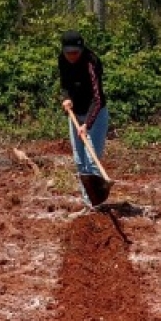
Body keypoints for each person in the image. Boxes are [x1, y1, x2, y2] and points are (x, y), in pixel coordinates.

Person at [58, 30, 109, 209]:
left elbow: (97, 98)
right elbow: (64, 83)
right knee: (80, 160)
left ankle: (96, 204)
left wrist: (87, 123)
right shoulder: (62, 59)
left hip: (95, 114)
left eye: (75, 53)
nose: (72, 56)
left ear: (81, 50)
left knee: (92, 158)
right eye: (68, 53)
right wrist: (66, 97)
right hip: (75, 113)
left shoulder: (91, 62)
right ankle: (89, 203)